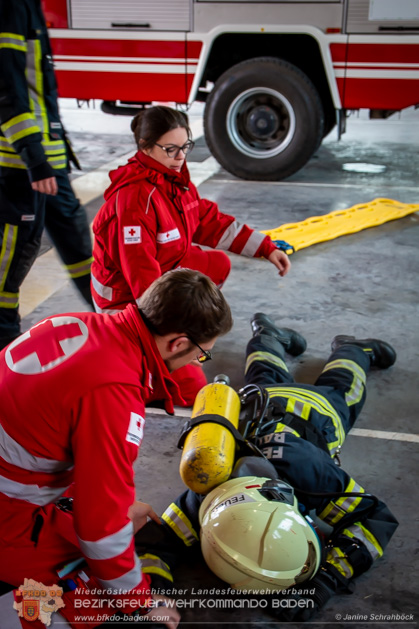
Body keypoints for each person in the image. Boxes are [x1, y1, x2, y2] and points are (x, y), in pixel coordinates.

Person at [0, 269, 232, 628]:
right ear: (178, 343)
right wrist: (139, 603)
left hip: (13, 476)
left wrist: (116, 504)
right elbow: (100, 530)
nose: (195, 363)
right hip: (8, 509)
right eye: (202, 354)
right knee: (87, 601)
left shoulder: (76, 323)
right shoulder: (114, 392)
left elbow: (48, 434)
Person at [134, 313, 399, 623]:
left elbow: (376, 519)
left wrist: (325, 582)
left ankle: (353, 349)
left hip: (317, 410)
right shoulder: (204, 490)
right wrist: (156, 596)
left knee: (342, 390)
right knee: (263, 372)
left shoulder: (308, 474)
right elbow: (151, 546)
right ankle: (267, 335)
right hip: (260, 403)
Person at [90, 105, 291, 405]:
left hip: (164, 274)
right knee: (189, 388)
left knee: (216, 265)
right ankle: (136, 366)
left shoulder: (173, 179)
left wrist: (265, 247)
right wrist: (183, 344)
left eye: (185, 146)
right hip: (126, 302)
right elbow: (146, 288)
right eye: (171, 149)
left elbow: (208, 220)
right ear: (145, 147)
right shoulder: (134, 202)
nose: (181, 157)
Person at [0, 0, 93, 351]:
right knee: (12, 261)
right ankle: (3, 346)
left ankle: (122, 329)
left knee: (80, 248)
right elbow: (6, 86)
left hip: (49, 159)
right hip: (20, 165)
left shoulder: (28, 5)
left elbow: (39, 91)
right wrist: (34, 158)